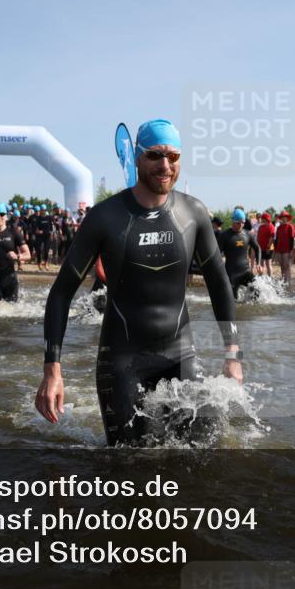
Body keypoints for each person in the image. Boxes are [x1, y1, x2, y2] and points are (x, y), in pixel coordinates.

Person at [35, 119, 241, 446]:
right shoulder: (105, 216)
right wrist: (52, 371)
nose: (165, 165)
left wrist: (232, 354)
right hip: (123, 361)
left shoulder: (194, 212)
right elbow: (61, 294)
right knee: (128, 468)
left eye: (173, 157)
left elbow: (218, 282)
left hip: (180, 353)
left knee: (205, 452)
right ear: (137, 158)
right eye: (155, 156)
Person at [218, 208, 261, 299]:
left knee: (257, 290)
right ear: (233, 221)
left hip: (245, 271)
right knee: (233, 301)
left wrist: (259, 264)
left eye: (243, 223)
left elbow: (257, 248)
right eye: (238, 223)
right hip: (231, 274)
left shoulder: (247, 234)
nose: (241, 225)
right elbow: (218, 254)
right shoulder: (224, 235)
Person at [274, 211, 295, 282]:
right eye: (282, 217)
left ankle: (288, 281)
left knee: (287, 266)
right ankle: (283, 280)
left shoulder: (290, 226)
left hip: (287, 249)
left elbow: (292, 239)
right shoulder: (279, 227)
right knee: (282, 266)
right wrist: (276, 250)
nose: (284, 218)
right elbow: (276, 240)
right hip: (279, 249)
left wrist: (291, 250)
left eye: (285, 217)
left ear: (287, 218)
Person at [256, 212, 276, 276]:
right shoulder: (261, 227)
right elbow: (258, 237)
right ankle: (260, 278)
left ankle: (270, 278)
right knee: (261, 263)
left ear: (266, 219)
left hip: (268, 248)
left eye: (263, 219)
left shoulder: (271, 226)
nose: (261, 220)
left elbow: (271, 238)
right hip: (261, 248)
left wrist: (268, 247)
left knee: (268, 263)